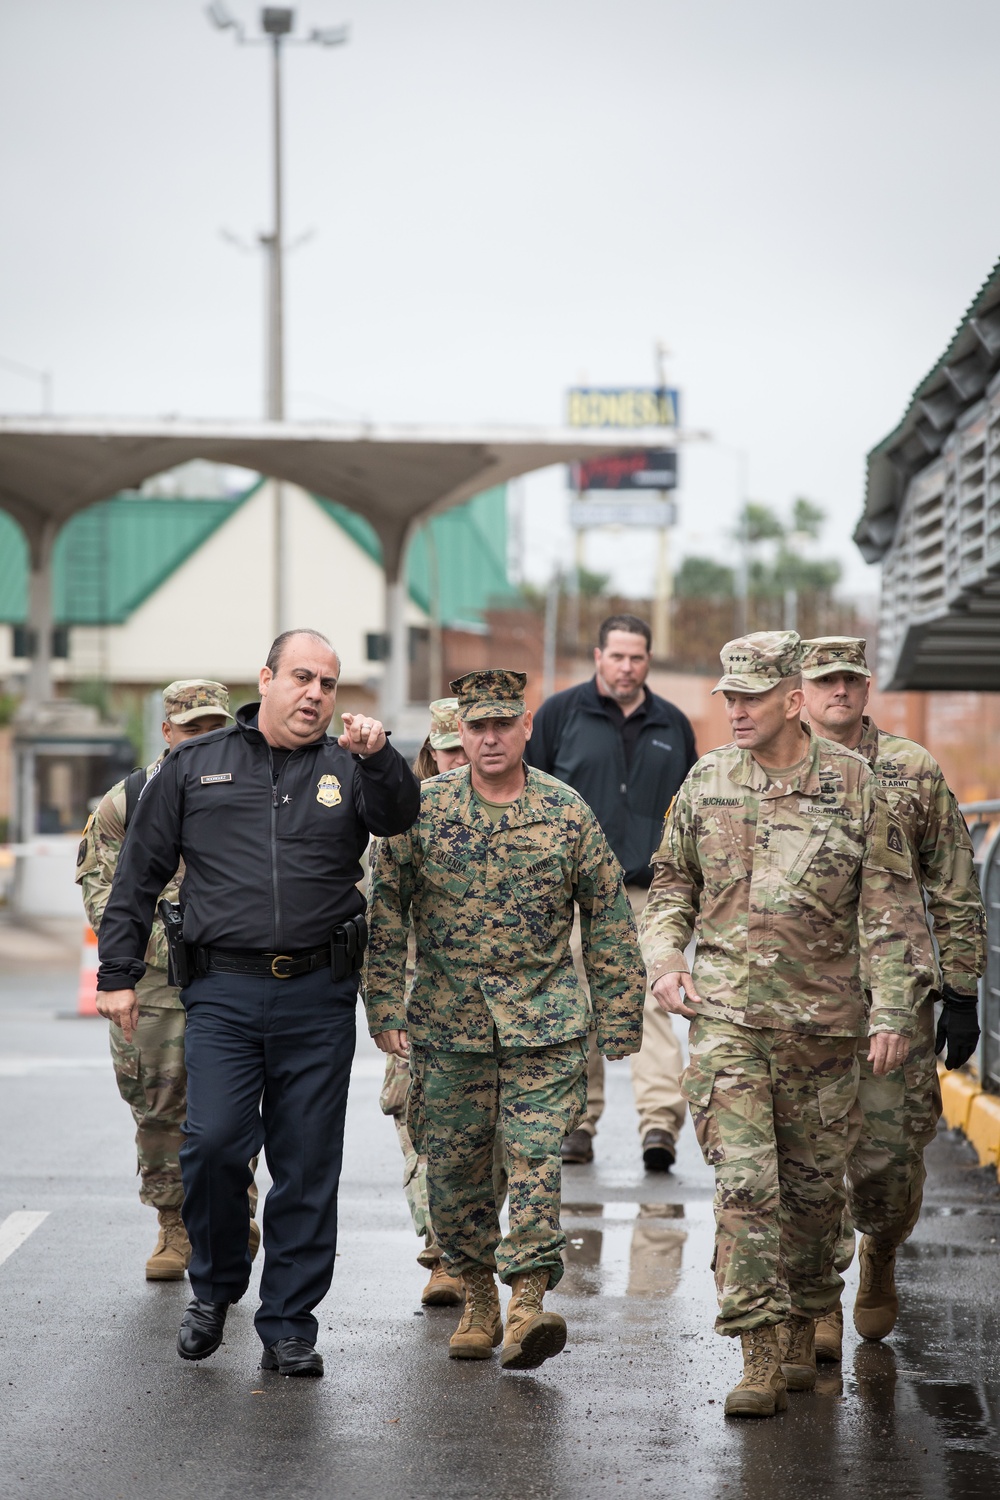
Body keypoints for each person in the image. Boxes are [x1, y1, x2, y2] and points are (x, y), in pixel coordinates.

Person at [94, 629, 421, 1378]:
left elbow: (398, 816)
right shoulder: (192, 767)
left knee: (306, 1166)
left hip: (318, 993)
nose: (316, 694)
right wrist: (117, 973)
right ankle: (213, 1288)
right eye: (302, 677)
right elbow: (136, 879)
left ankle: (289, 1326)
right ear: (265, 680)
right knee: (212, 1146)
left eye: (329, 684)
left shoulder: (349, 766)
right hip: (224, 992)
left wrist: (380, 757)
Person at [640, 631, 925, 1418]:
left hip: (828, 1029)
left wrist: (894, 1009)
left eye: (750, 697)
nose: (733, 710)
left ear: (792, 701)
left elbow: (890, 907)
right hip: (727, 1021)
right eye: (727, 696)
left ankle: (804, 1320)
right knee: (745, 1187)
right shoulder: (706, 782)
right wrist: (664, 958)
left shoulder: (858, 787)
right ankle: (758, 1352)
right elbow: (670, 884)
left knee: (810, 1198)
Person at [365, 669, 645, 1370]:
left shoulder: (565, 810)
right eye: (476, 727)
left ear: (524, 728)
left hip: (544, 1027)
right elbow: (384, 908)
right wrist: (383, 1006)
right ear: (459, 734)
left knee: (535, 1160)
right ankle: (479, 1295)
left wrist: (619, 1017)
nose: (489, 739)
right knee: (454, 1172)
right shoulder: (420, 810)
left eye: (502, 725)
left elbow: (608, 912)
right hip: (447, 1024)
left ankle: (527, 1301)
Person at [800, 636, 985, 1358]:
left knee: (887, 1162)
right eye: (824, 681)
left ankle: (879, 1247)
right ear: (800, 692)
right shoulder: (774, 769)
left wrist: (963, 989)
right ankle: (818, 1297)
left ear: (868, 685)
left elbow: (955, 885)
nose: (838, 691)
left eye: (850, 679)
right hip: (803, 997)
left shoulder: (911, 770)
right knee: (809, 1157)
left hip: (897, 1001)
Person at [75, 679, 260, 1282]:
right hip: (154, 981)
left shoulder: (250, 789)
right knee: (157, 1106)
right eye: (191, 729)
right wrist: (162, 946)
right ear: (167, 732)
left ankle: (234, 1212)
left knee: (228, 1110)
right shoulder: (126, 799)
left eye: (215, 728)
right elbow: (101, 890)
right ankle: (173, 1226)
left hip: (230, 972)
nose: (203, 739)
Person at [526, 613, 697, 1172]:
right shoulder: (558, 715)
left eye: (638, 657)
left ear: (649, 661)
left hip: (649, 896)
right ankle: (577, 1123)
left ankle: (658, 1126)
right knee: (574, 1007)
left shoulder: (672, 724)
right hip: (572, 896)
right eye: (617, 656)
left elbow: (690, 815)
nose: (627, 666)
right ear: (598, 657)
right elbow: (531, 798)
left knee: (655, 1004)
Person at [378, 696, 487, 1309]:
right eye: (447, 749)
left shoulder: (520, 805)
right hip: (421, 1003)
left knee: (483, 1141)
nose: (457, 759)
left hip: (491, 1009)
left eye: (463, 746)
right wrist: (384, 1004)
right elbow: (381, 915)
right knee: (417, 1126)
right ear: (431, 752)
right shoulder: (405, 816)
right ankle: (441, 1252)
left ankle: (465, 1244)